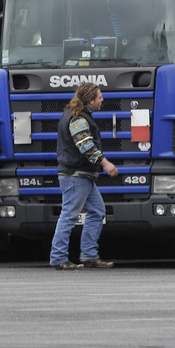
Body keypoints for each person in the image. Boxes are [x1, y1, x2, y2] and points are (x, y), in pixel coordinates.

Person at [50, 82, 118, 270]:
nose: (102, 100)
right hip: (76, 174)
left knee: (97, 211)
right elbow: (85, 145)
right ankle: (58, 258)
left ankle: (88, 255)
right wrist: (105, 163)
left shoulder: (78, 115)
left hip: (82, 174)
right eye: (99, 97)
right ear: (90, 100)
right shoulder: (78, 118)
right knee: (69, 215)